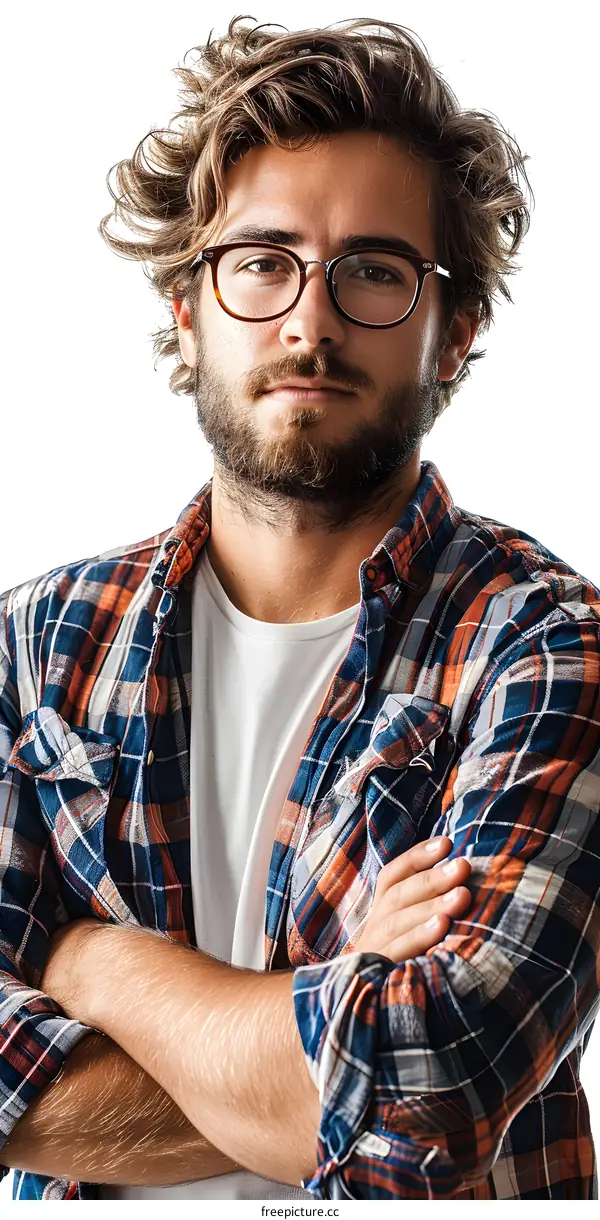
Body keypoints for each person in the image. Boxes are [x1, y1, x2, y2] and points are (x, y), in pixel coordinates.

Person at [0, 15, 599, 1203]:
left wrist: (88, 957)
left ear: (456, 327)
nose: (309, 322)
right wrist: (335, 1012)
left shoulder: (544, 649)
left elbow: (434, 1087)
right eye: (262, 260)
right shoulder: (35, 645)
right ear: (189, 304)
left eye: (372, 271)